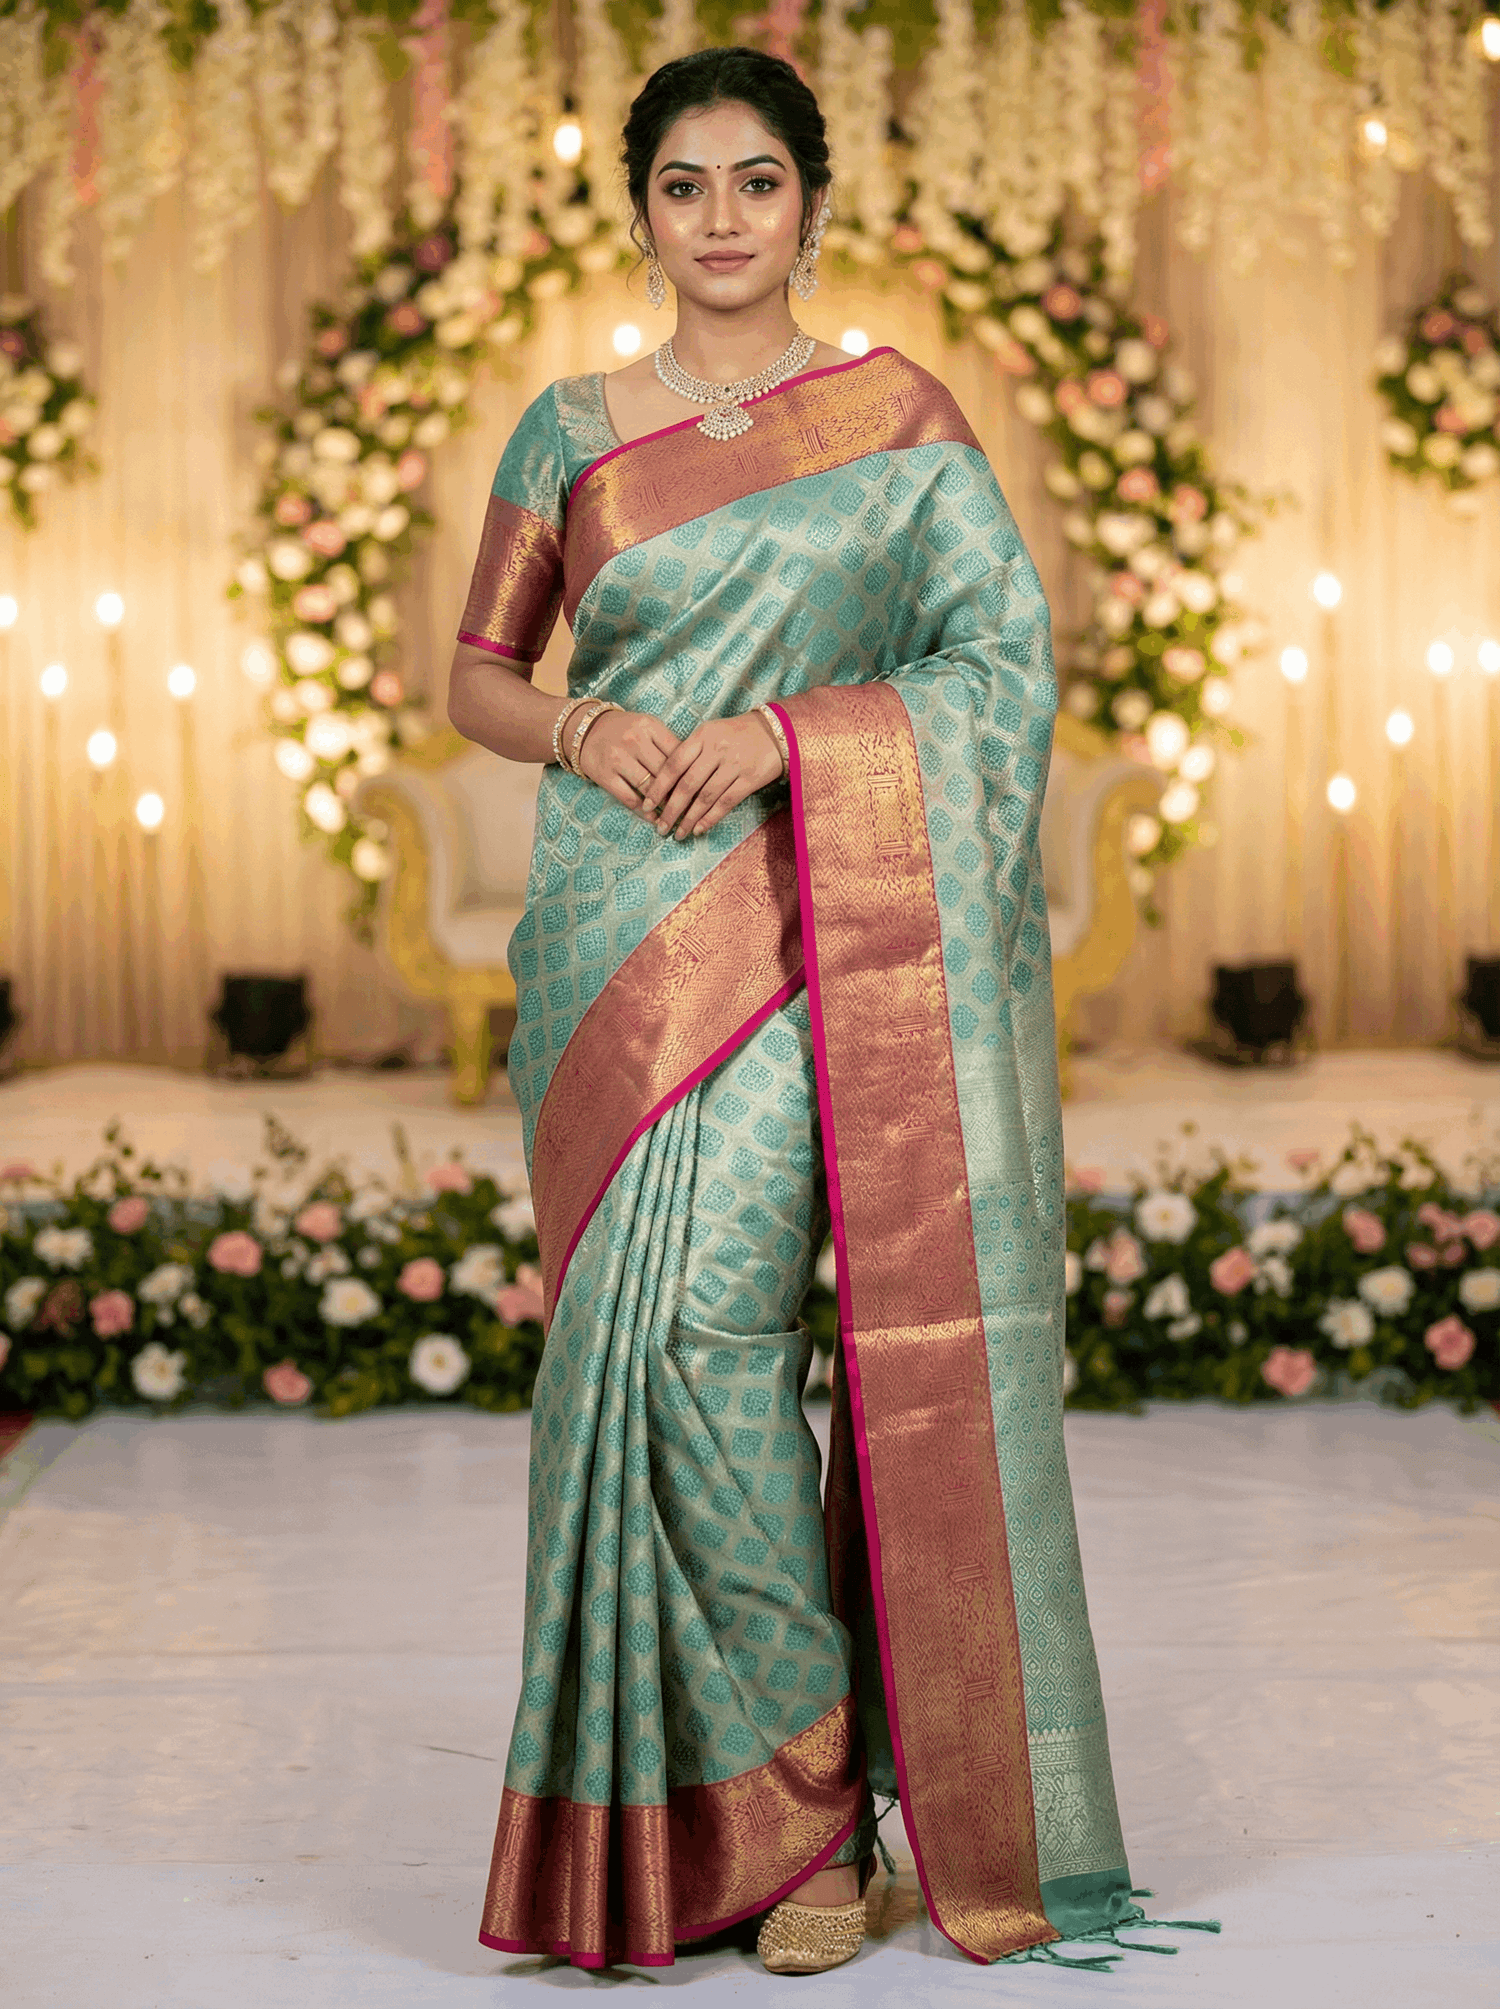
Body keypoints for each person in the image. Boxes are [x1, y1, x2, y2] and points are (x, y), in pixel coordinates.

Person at [448, 43, 1139, 1978]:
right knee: (626, 1359)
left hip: (807, 915)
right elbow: (479, 674)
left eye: (758, 181)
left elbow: (1001, 662)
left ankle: (820, 1810)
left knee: (713, 1330)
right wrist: (582, 726)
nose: (724, 217)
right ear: (641, 212)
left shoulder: (897, 419)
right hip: (608, 939)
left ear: (811, 206)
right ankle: (695, 1825)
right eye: (686, 185)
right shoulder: (566, 430)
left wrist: (784, 737)